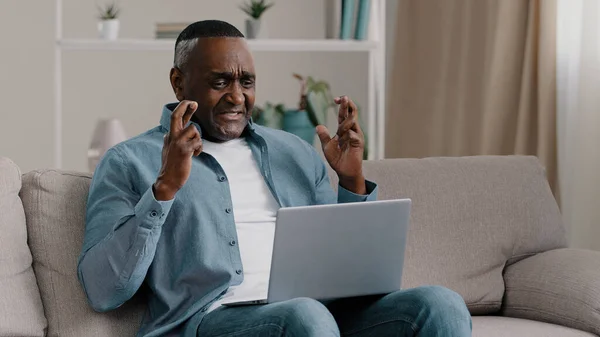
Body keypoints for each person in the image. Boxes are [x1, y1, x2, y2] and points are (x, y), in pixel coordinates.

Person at [78, 20, 472, 337]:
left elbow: (342, 266)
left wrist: (352, 181)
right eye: (220, 82)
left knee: (442, 304)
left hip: (319, 314)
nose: (237, 97)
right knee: (306, 317)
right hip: (215, 320)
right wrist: (164, 189)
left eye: (246, 82)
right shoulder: (130, 160)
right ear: (179, 82)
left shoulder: (294, 151)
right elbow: (103, 290)